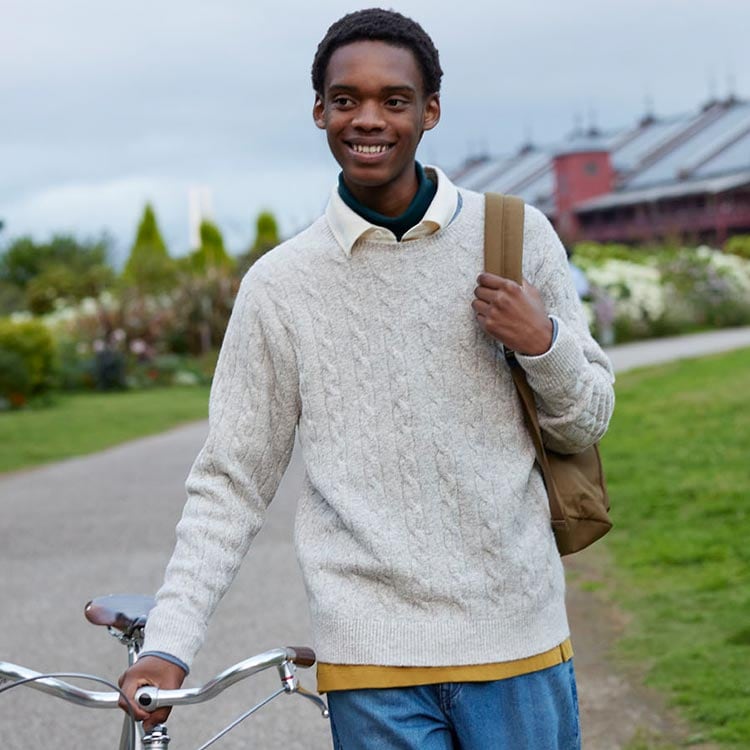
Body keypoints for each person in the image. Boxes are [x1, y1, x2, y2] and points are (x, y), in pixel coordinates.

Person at [119, 9, 615, 749]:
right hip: (370, 659)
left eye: (395, 99)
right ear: (319, 110)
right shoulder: (280, 286)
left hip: (516, 638)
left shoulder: (514, 238)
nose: (368, 119)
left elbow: (586, 424)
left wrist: (542, 344)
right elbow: (232, 479)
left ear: (430, 111)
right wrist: (170, 639)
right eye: (346, 99)